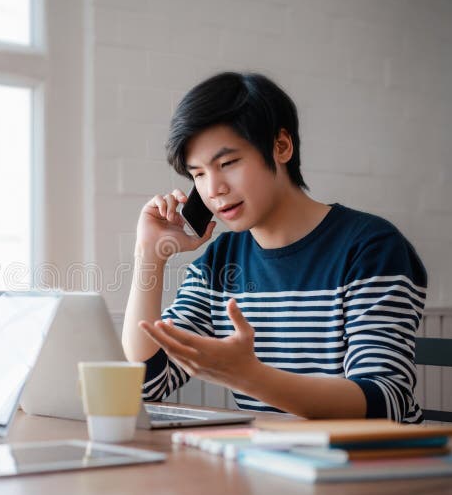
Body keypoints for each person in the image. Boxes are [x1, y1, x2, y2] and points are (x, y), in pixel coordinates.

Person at [122, 72, 426, 422]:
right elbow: (145, 383)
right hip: (270, 463)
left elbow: (384, 402)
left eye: (227, 164)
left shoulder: (371, 246)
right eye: (198, 174)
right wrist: (149, 255)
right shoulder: (219, 262)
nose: (214, 188)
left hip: (372, 465)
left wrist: (251, 377)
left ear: (281, 147)